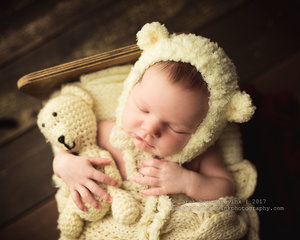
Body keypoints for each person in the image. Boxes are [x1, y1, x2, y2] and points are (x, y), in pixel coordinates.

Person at [53, 60, 235, 212]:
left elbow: (226, 188)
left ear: (200, 132)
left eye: (175, 128)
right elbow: (66, 150)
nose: (150, 129)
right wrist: (65, 164)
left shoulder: (200, 153)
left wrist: (188, 182)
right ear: (129, 94)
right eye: (143, 109)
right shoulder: (105, 132)